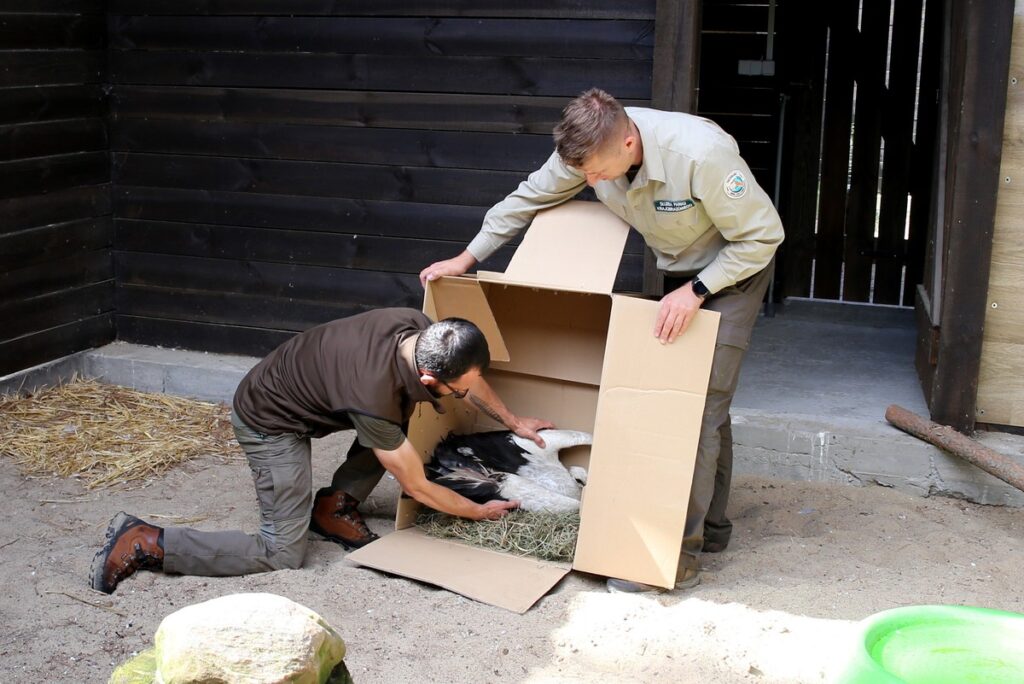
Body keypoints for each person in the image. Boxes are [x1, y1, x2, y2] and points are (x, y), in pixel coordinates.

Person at [419, 88, 784, 593]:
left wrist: (698, 291)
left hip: (734, 270)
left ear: (630, 142)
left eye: (594, 171)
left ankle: (675, 553)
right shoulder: (588, 148)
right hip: (678, 268)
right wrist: (467, 257)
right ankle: (714, 527)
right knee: (703, 404)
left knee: (697, 408)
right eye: (581, 172)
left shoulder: (700, 155)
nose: (587, 183)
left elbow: (763, 237)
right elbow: (530, 195)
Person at [90, 308, 553, 594]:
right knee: (281, 551)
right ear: (430, 376)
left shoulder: (421, 331)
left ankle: (333, 507)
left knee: (398, 429)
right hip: (269, 421)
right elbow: (417, 486)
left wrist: (514, 421)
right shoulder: (373, 394)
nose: (463, 393)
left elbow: (464, 376)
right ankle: (148, 541)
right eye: (456, 390)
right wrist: (479, 512)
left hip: (315, 389)